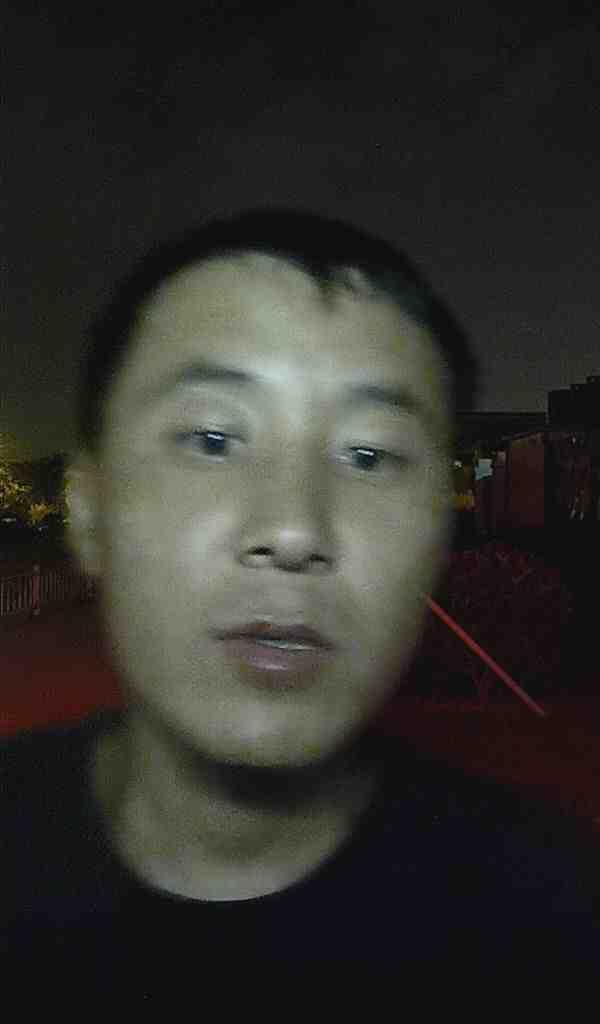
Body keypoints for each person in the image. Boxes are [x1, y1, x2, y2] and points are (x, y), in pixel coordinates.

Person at [2, 208, 598, 982]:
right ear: (87, 513)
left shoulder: (554, 919)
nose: (293, 528)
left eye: (369, 455)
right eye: (213, 439)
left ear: (439, 537)